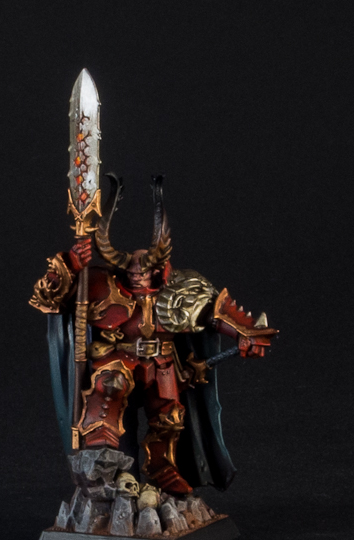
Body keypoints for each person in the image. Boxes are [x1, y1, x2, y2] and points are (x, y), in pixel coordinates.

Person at [30, 175, 276, 495]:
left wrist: (246, 335)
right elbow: (48, 298)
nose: (136, 276)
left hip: (162, 363)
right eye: (131, 273)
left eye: (142, 272)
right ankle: (105, 468)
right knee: (108, 393)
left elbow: (213, 313)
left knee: (169, 416)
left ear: (157, 271)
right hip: (118, 358)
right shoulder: (100, 285)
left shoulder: (178, 288)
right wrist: (71, 265)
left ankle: (163, 470)